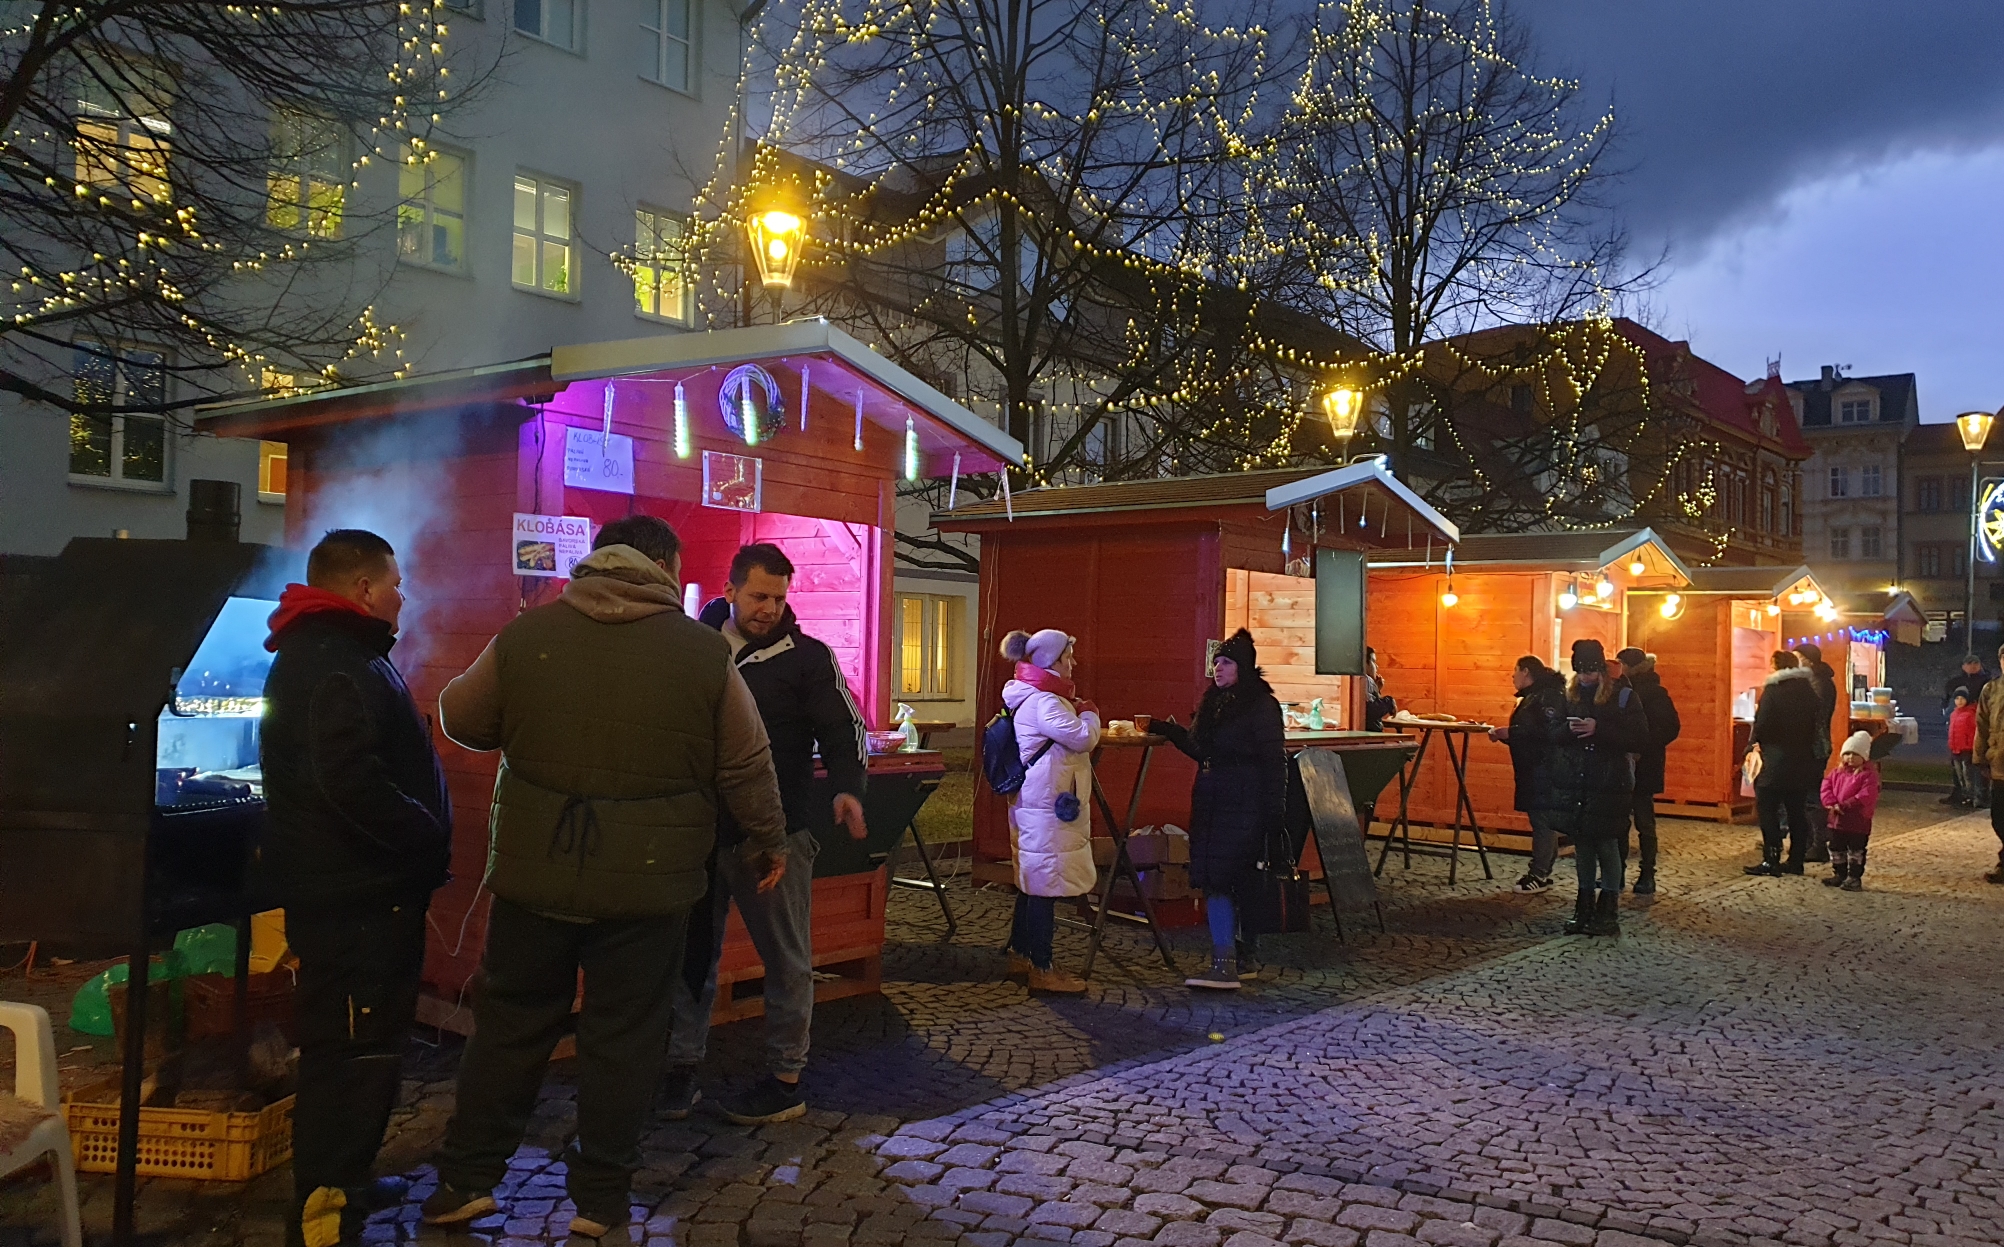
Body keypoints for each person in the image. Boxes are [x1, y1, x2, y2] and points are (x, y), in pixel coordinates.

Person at [425, 516, 788, 1239]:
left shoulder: (526, 635)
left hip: (536, 876)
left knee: (510, 1028)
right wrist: (769, 838)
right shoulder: (702, 652)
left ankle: (466, 1180)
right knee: (625, 1038)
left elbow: (460, 717)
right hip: (649, 886)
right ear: (665, 567)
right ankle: (600, 1200)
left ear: (597, 560)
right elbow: (747, 763)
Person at [261, 529, 451, 1247]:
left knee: (363, 1044)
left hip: (360, 896)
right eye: (395, 583)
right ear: (365, 589)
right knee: (350, 1052)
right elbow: (347, 785)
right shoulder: (334, 662)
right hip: (356, 902)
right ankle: (325, 1211)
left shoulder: (336, 652)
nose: (404, 596)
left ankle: (348, 1179)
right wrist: (423, 833)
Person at [661, 543, 870, 1126]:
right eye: (758, 596)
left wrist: (848, 787)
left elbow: (842, 727)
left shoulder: (808, 658)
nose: (770, 608)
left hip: (779, 834)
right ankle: (680, 1067)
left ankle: (785, 1077)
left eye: (778, 598)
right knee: (691, 955)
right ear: (729, 591)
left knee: (786, 959)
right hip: (701, 832)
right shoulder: (694, 648)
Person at [1155, 629, 1287, 990]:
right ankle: (1240, 959)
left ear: (1243, 667)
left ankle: (1226, 963)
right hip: (1214, 799)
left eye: (1226, 663)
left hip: (1243, 800)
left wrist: (1275, 810)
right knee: (1225, 876)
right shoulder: (1214, 703)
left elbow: (1274, 760)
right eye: (1216, 662)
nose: (1219, 668)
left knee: (1228, 877)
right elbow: (1204, 751)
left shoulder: (1261, 706)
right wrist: (1172, 732)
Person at [999, 628, 1102, 993]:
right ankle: (1042, 968)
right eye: (1067, 657)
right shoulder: (1045, 702)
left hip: (1036, 802)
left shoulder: (1033, 696)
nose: (1073, 663)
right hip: (1045, 806)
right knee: (1044, 884)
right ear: (1051, 662)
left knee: (1032, 880)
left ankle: (1020, 953)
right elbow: (1084, 737)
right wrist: (1090, 713)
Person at [1548, 640, 1649, 937]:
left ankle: (1608, 911)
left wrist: (1599, 729)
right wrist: (1567, 730)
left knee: (1606, 844)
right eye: (1580, 671)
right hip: (1577, 781)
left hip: (1609, 782)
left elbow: (1640, 738)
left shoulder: (1623, 697)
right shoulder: (1569, 695)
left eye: (1590, 671)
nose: (1585, 677)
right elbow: (1551, 734)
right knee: (1583, 845)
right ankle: (1583, 907)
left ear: (1601, 669)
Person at [1488, 655, 1570, 893]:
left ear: (1526, 671)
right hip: (1536, 768)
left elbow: (1546, 733)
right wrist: (1508, 736)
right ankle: (1542, 871)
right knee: (1542, 819)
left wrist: (1511, 733)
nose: (1512, 676)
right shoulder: (1538, 695)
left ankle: (1539, 874)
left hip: (1543, 769)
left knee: (1542, 819)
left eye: (1515, 671)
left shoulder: (1546, 696)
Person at [1745, 650, 1823, 877]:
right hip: (1802, 760)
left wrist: (1754, 745)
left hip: (1775, 760)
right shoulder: (1808, 692)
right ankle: (1796, 860)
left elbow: (1762, 723)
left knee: (1767, 809)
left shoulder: (1773, 691)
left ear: (1778, 667)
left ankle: (1771, 859)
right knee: (1796, 811)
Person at [1616, 647, 1681, 894]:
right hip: (1623, 764)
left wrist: (1643, 747)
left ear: (1630, 667)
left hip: (1645, 764)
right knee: (1620, 821)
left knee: (1644, 821)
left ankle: (1647, 873)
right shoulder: (1620, 690)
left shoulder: (1654, 693)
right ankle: (1617, 871)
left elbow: (1670, 727)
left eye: (1621, 663)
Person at [1792, 642, 1838, 864]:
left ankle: (1818, 844)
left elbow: (1814, 715)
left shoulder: (1818, 682)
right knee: (1805, 794)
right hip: (1812, 744)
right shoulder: (1815, 680)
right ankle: (1810, 842)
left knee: (1811, 795)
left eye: (1798, 657)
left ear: (1808, 660)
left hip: (1814, 745)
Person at [1820, 731, 1881, 891]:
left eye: (1855, 754)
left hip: (1857, 820)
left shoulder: (1868, 775)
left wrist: (1846, 805)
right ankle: (1839, 873)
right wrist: (1831, 803)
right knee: (1836, 847)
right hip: (1837, 819)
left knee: (1856, 850)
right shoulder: (1836, 773)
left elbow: (1866, 795)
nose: (1850, 757)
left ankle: (1854, 877)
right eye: (1847, 754)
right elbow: (1826, 787)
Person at [1970, 642, 2004, 884]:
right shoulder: (1991, 689)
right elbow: (1981, 725)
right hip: (1999, 763)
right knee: (1999, 817)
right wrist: (1979, 757)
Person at [1945, 654, 1991, 806]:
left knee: (1976, 767)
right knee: (1958, 768)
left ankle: (1980, 796)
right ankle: (1961, 793)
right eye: (1969, 664)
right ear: (1963, 666)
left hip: (1977, 729)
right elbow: (1947, 696)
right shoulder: (1956, 681)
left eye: (1975, 663)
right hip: (1957, 738)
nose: (1972, 666)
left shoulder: (1987, 681)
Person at [1949, 689, 1979, 808]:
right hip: (1956, 748)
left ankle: (1971, 797)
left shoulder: (1970, 714)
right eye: (1957, 698)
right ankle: (1964, 795)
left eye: (1962, 698)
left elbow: (1973, 732)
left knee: (1968, 775)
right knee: (1960, 774)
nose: (1959, 701)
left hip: (1966, 749)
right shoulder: (1953, 714)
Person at [1363, 646, 1396, 732]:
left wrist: (1377, 690)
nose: (1377, 666)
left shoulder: (1362, 680)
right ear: (1365, 663)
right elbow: (1371, 711)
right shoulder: (1366, 679)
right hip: (1369, 734)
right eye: (1373, 661)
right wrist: (1390, 702)